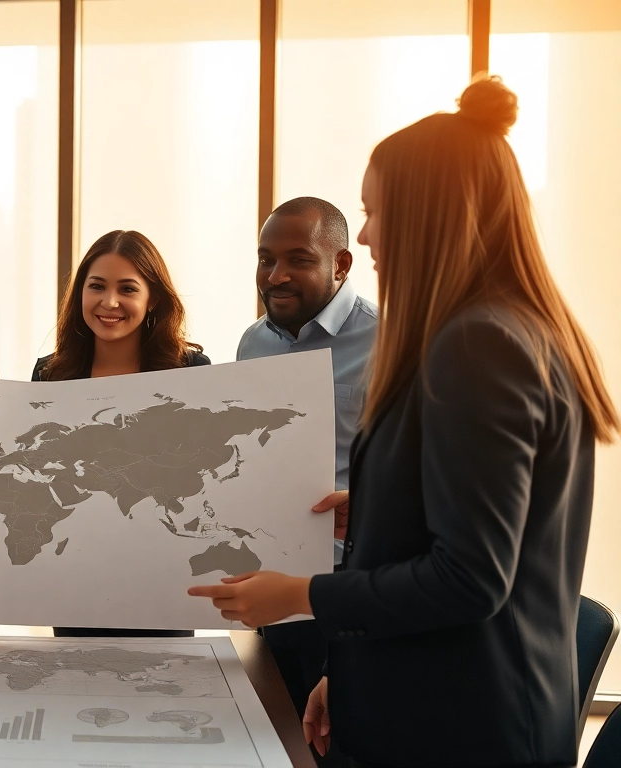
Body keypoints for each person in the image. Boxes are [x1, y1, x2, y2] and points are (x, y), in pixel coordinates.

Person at [190, 77, 618, 768]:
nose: (363, 234)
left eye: (375, 211)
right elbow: (488, 523)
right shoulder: (508, 329)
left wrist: (300, 593)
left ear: (431, 216)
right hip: (446, 702)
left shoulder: (478, 344)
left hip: (459, 728)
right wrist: (378, 515)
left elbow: (471, 577)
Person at [236, 197, 376, 756]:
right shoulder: (253, 343)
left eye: (298, 259)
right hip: (273, 578)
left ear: (341, 264)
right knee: (279, 739)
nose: (277, 275)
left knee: (341, 743)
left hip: (348, 584)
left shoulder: (387, 341)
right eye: (266, 258)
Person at [33, 229, 208, 638]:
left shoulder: (192, 372)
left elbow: (201, 478)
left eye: (127, 289)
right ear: (80, 296)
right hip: (77, 576)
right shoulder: (50, 374)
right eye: (96, 287)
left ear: (153, 301)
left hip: (163, 578)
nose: (109, 302)